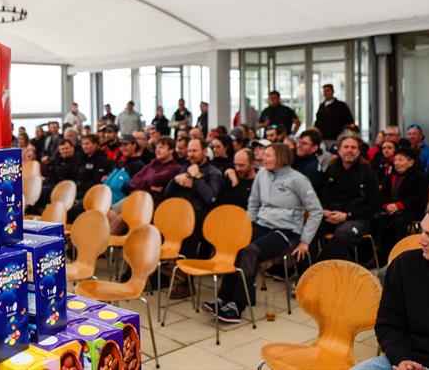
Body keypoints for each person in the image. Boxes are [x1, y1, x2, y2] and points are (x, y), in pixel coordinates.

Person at [205, 143, 323, 323]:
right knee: (237, 246)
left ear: (281, 158)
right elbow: (253, 204)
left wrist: (305, 241)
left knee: (251, 251)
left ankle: (237, 306)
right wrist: (245, 229)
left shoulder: (298, 179)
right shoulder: (262, 175)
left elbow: (316, 211)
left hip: (287, 230)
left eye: (268, 155)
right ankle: (224, 298)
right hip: (262, 224)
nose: (262, 158)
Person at [351, 200, 429, 370]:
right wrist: (402, 359)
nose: (421, 240)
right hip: (406, 359)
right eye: (423, 231)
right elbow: (388, 324)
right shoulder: (405, 265)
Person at [314, 135, 380, 262]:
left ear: (359, 151)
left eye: (353, 147)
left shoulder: (367, 171)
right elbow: (321, 194)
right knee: (308, 231)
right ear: (339, 150)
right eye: (346, 147)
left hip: (356, 217)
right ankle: (305, 273)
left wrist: (347, 216)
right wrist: (324, 210)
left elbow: (374, 205)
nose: (349, 150)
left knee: (342, 235)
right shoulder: (332, 168)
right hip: (330, 215)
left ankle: (319, 270)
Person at [162, 138, 224, 258]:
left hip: (199, 219)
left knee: (187, 229)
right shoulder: (185, 168)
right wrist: (174, 180)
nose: (191, 154)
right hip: (178, 214)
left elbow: (211, 198)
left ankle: (183, 273)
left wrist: (197, 177)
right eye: (189, 151)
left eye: (195, 151)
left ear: (205, 151)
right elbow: (167, 194)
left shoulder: (214, 173)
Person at [373, 148, 429, 264]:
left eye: (401, 160)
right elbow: (382, 194)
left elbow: (419, 197)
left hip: (412, 210)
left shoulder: (418, 176)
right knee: (380, 220)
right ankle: (381, 257)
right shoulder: (390, 176)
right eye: (396, 160)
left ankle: (400, 256)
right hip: (391, 210)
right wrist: (388, 205)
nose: (397, 163)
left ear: (411, 162)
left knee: (399, 222)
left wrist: (399, 205)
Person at [108, 137, 181, 229]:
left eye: (161, 147)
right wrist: (149, 184)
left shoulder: (174, 168)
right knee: (109, 212)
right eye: (157, 147)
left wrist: (146, 179)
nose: (157, 150)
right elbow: (134, 181)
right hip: (137, 196)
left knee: (122, 218)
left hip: (152, 202)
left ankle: (108, 241)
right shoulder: (153, 163)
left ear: (171, 150)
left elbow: (154, 179)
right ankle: (113, 240)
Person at [30, 139, 79, 215]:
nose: (64, 151)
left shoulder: (77, 160)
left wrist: (54, 170)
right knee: (34, 190)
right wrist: (47, 166)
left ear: (72, 148)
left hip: (66, 187)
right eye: (62, 149)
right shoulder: (58, 159)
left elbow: (64, 173)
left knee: (40, 193)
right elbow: (44, 171)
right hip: (53, 183)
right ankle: (37, 216)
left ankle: (43, 215)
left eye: (67, 148)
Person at [104, 135, 146, 205]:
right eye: (120, 146)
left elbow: (134, 189)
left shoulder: (138, 165)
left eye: (125, 145)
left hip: (121, 203)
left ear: (134, 145)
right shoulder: (120, 162)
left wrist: (121, 185)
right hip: (106, 199)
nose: (122, 148)